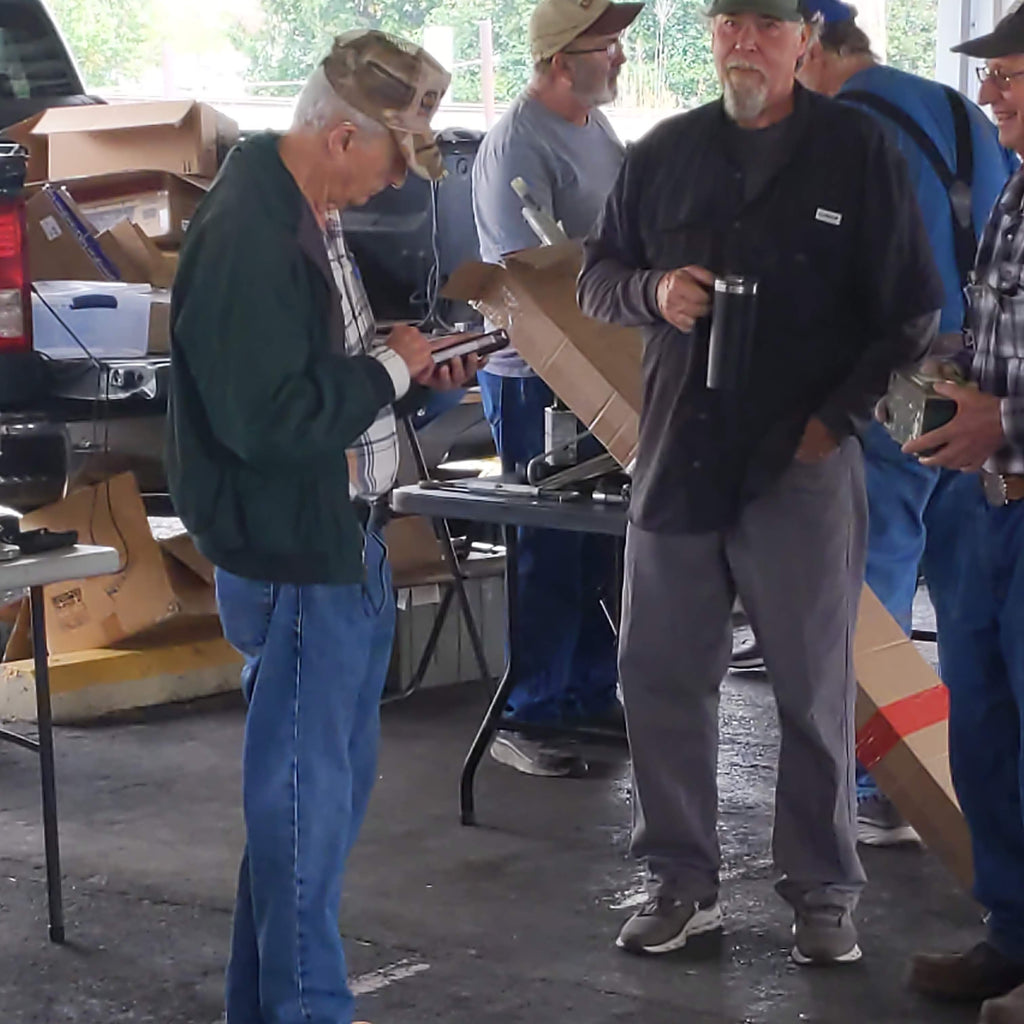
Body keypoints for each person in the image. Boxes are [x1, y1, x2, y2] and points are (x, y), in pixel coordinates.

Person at [577, 0, 942, 965]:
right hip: (679, 456)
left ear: (804, 40)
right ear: (711, 34)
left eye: (767, 25)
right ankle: (679, 881)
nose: (745, 39)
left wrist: (836, 422)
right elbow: (596, 276)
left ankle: (823, 891)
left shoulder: (858, 154)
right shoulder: (663, 153)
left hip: (800, 461)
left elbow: (911, 310)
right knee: (659, 676)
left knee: (813, 687)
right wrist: (652, 291)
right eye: (728, 21)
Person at [166, 31, 478, 1024]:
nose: (396, 181)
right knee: (305, 817)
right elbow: (268, 420)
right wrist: (388, 369)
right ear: (343, 136)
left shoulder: (302, 212)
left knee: (302, 819)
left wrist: (404, 370)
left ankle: (264, 1009)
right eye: (393, 157)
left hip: (335, 543)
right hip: (298, 551)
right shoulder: (252, 233)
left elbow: (305, 376)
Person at [795, 0, 1016, 848]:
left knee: (872, 576)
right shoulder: (960, 109)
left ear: (810, 48)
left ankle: (878, 780)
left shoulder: (838, 131)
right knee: (971, 599)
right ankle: (958, 777)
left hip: (897, 381)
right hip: (981, 382)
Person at [471, 0, 642, 777]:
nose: (619, 58)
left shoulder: (596, 128)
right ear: (558, 61)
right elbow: (528, 276)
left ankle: (587, 691)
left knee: (599, 541)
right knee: (547, 542)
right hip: (536, 375)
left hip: (601, 362)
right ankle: (532, 709)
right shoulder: (517, 143)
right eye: (606, 47)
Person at [902, 8, 1024, 1022]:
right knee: (984, 731)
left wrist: (1006, 418)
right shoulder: (1016, 187)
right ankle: (1013, 934)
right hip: (987, 511)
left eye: (1012, 76)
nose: (990, 94)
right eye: (991, 77)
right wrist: (943, 371)